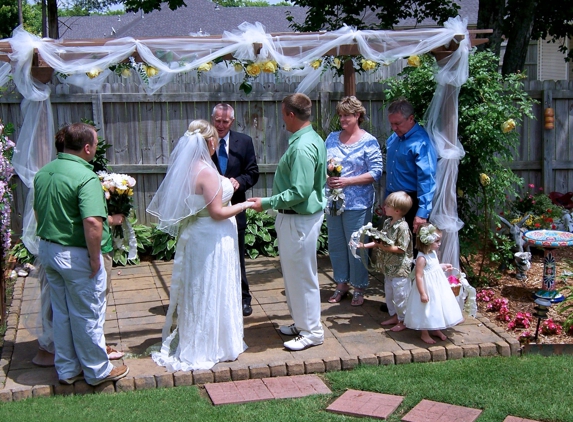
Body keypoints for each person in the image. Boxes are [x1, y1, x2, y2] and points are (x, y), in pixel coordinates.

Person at [148, 119, 254, 371]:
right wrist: (245, 205)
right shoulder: (206, 172)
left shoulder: (188, 168)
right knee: (211, 286)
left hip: (197, 234)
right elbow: (217, 212)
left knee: (200, 288)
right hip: (212, 238)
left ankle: (202, 339)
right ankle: (211, 345)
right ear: (210, 142)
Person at [34, 122, 129, 386]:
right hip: (75, 255)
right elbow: (93, 223)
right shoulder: (85, 177)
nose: (96, 149)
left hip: (49, 250)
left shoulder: (44, 173)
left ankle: (66, 369)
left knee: (62, 313)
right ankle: (98, 371)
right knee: (87, 313)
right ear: (87, 148)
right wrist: (95, 257)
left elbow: (38, 213)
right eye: (96, 145)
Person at [249, 93, 326, 351]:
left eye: (283, 113)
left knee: (302, 277)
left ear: (291, 115)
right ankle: (302, 323)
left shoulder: (303, 147)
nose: (282, 118)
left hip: (299, 220)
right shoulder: (310, 139)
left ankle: (312, 331)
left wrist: (267, 203)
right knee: (294, 275)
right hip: (298, 219)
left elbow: (300, 191)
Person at [325, 96, 383, 306]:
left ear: (358, 115)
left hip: (358, 204)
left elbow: (376, 172)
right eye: (340, 115)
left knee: (356, 245)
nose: (342, 119)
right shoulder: (331, 138)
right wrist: (327, 178)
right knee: (337, 245)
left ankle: (359, 287)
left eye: (346, 115)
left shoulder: (369, 141)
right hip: (333, 202)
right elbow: (323, 164)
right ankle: (341, 284)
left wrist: (347, 181)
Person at [211, 103, 259, 317]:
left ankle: (243, 298)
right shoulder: (203, 141)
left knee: (237, 256)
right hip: (209, 211)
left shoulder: (244, 141)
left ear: (232, 121)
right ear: (213, 119)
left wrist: (239, 181)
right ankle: (217, 298)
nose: (221, 125)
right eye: (217, 121)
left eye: (225, 121)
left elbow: (253, 172)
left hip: (236, 208)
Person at [361, 192, 413, 331]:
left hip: (399, 269)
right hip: (388, 267)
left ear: (397, 210)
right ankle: (394, 315)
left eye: (387, 205)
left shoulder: (403, 227)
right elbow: (380, 240)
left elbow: (402, 248)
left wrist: (385, 247)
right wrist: (364, 246)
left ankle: (403, 320)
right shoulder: (387, 222)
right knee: (389, 293)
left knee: (400, 295)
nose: (384, 207)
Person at [404, 224, 464, 344]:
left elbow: (433, 268)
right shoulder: (421, 258)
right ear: (427, 242)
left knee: (436, 308)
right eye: (437, 241)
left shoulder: (433, 253)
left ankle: (436, 328)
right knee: (426, 309)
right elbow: (419, 276)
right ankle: (424, 333)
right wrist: (422, 293)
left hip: (437, 287)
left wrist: (443, 266)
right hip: (427, 288)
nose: (439, 243)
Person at [385, 97, 437, 235]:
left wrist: (422, 212)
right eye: (391, 124)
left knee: (410, 250)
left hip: (411, 203)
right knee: (391, 246)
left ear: (411, 118)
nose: (394, 128)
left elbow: (427, 179)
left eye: (398, 123)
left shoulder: (421, 143)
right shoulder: (393, 138)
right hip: (393, 201)